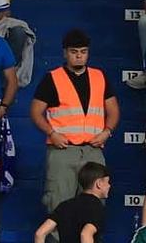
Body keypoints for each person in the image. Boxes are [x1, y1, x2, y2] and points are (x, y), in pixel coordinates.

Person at [31, 29, 117, 212]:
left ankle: (90, 242)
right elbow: (36, 111)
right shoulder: (52, 78)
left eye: (83, 52)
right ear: (65, 52)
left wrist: (107, 132)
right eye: (74, 52)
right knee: (59, 203)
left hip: (93, 149)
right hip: (63, 150)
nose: (79, 56)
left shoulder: (99, 76)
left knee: (95, 206)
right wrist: (52, 133)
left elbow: (113, 110)